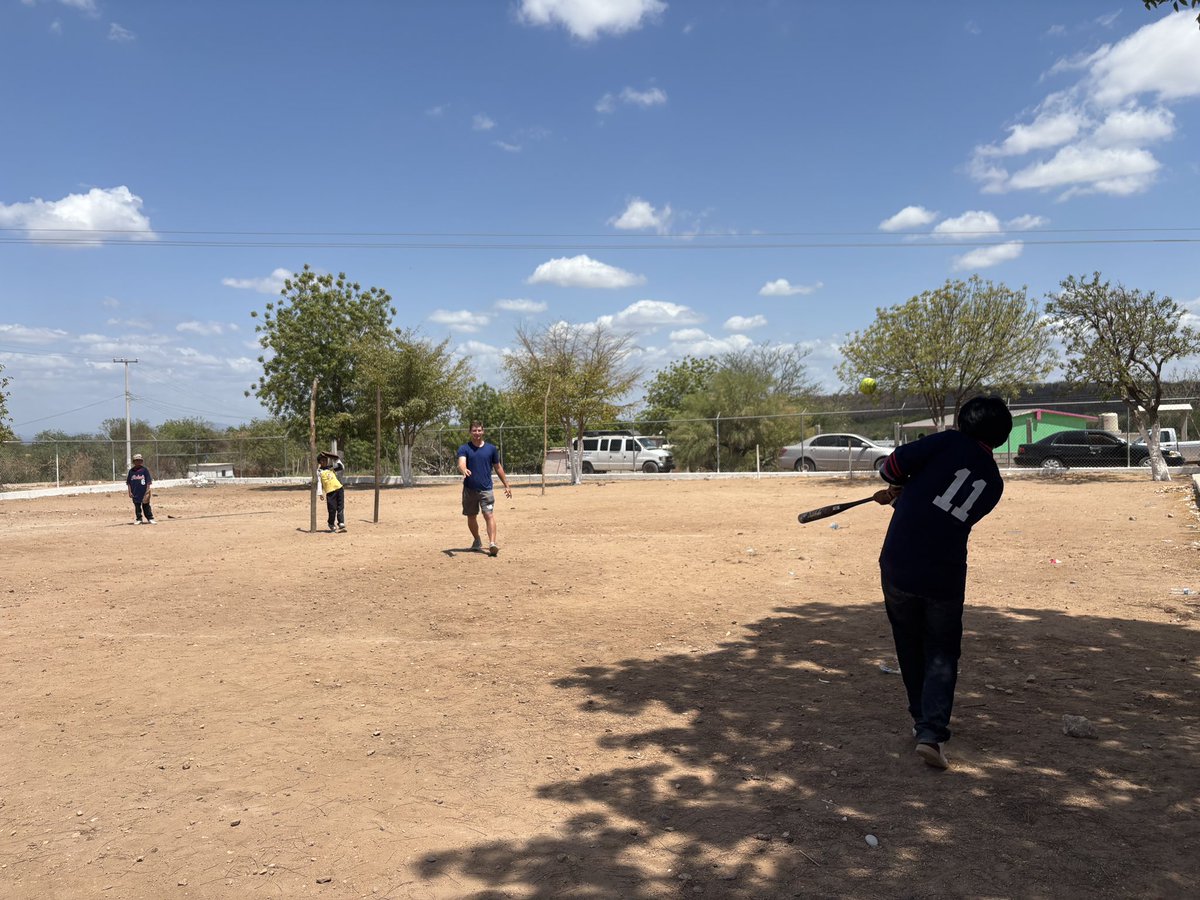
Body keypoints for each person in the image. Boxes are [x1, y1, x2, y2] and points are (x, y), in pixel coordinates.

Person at [873, 395, 1013, 769]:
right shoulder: (994, 483)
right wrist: (910, 492)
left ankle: (921, 719)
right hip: (945, 574)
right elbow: (946, 511)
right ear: (1000, 436)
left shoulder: (946, 441)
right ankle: (931, 733)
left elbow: (890, 467)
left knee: (909, 643)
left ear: (962, 422)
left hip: (900, 563)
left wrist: (900, 488)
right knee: (942, 651)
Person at [457, 421, 512, 556]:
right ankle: (477, 540)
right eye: (474, 431)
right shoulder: (464, 448)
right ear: (470, 432)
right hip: (469, 490)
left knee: (489, 515)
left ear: (483, 431)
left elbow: (498, 467)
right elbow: (461, 463)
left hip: (486, 489)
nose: (477, 433)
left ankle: (492, 543)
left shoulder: (491, 449)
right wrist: (463, 469)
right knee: (471, 516)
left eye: (479, 430)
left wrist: (506, 484)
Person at [317, 451, 347, 533]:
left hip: (339, 489)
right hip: (330, 492)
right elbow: (319, 482)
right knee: (332, 509)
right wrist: (320, 493)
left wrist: (336, 459)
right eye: (322, 460)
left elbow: (341, 467)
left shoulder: (331, 468)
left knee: (340, 507)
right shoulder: (319, 472)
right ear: (319, 462)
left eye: (326, 460)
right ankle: (331, 523)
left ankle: (341, 522)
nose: (325, 462)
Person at [126, 453, 155, 524]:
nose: (138, 462)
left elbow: (148, 481)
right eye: (136, 460)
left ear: (142, 461)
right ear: (134, 462)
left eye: (139, 460)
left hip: (144, 492)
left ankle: (150, 518)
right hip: (135, 492)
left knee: (146, 505)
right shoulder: (131, 471)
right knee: (137, 506)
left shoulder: (144, 470)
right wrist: (130, 492)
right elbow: (129, 482)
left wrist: (147, 491)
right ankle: (139, 519)